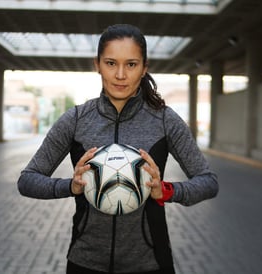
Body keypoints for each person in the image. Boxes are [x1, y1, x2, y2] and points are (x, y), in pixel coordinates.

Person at [17, 24, 218, 274]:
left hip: (150, 262)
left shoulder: (164, 120)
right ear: (97, 65)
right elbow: (27, 180)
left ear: (144, 68)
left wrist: (166, 191)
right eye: (111, 63)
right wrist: (71, 186)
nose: (120, 74)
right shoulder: (77, 119)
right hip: (85, 261)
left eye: (131, 64)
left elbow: (209, 182)